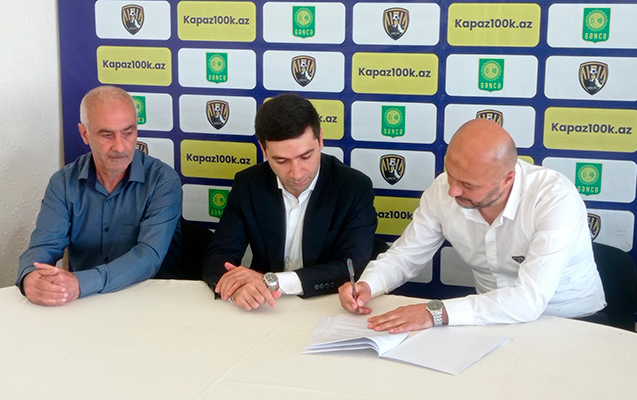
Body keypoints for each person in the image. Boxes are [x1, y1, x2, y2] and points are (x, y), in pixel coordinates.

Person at [339, 118, 606, 332]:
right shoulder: (443, 189)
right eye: (451, 174)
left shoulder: (555, 199)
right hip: (487, 321)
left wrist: (434, 312)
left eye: (468, 184)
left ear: (507, 179)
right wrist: (368, 285)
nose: (453, 191)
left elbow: (528, 301)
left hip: (572, 322)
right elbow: (406, 255)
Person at [203, 94, 377, 311]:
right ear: (264, 150)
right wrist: (236, 286)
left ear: (320, 139)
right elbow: (218, 256)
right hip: (265, 308)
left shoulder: (353, 187)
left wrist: (272, 281)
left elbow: (350, 268)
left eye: (306, 156)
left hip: (327, 305)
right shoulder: (248, 184)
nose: (296, 173)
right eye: (281, 160)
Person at [17, 85, 182, 306]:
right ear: (84, 134)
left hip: (150, 302)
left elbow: (148, 257)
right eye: (107, 135)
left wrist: (80, 283)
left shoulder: (162, 181)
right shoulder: (63, 183)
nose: (120, 147)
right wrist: (30, 278)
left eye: (128, 133)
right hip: (85, 303)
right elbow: (42, 248)